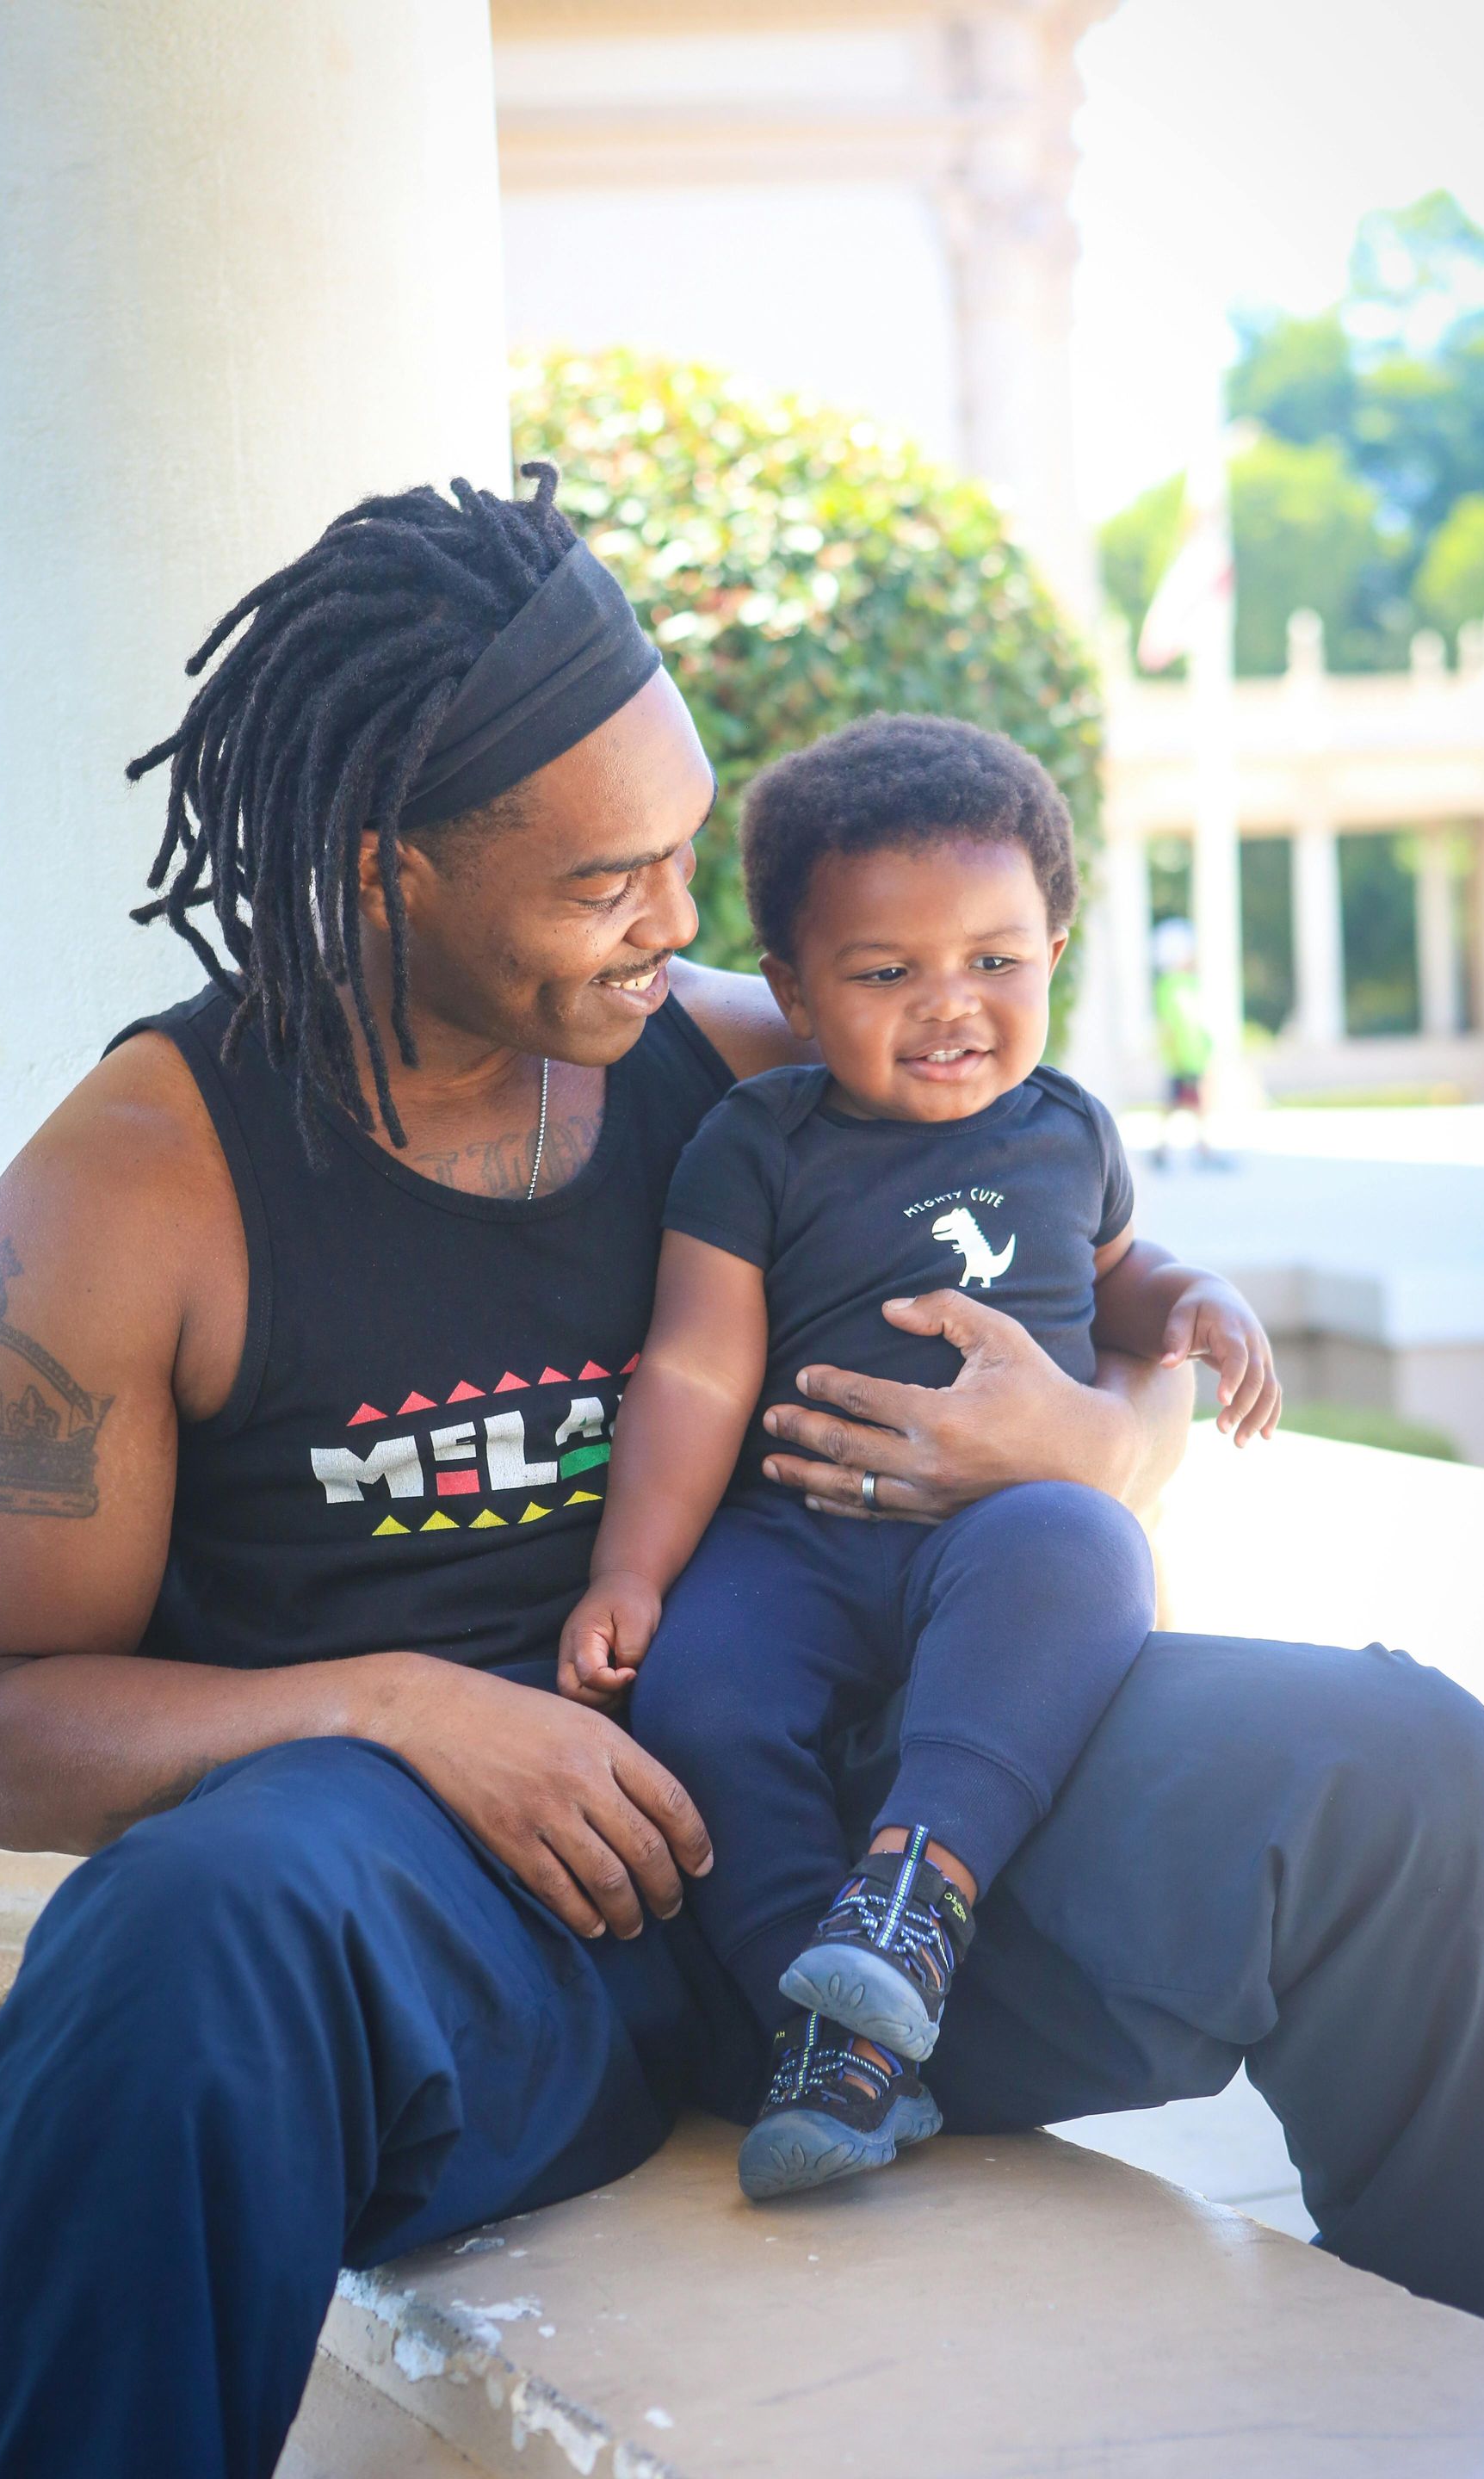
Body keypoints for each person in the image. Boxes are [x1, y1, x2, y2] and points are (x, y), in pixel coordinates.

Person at [0, 474, 1484, 2479]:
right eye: (602, 884)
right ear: (389, 867)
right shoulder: (135, 1185)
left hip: (862, 1862)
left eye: (679, 851)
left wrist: (1102, 1440)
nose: (678, 921)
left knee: (1410, 1772)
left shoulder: (735, 1058)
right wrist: (399, 1708)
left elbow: (1104, 1294)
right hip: (450, 1911)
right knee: (172, 1953)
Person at [559, 714, 1277, 2199]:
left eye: (995, 962)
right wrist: (634, 1571)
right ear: (795, 993)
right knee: (702, 1689)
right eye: (887, 972)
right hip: (791, 1535)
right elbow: (695, 1369)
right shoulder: (757, 1143)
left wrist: (1193, 1305)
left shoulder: (1071, 1130)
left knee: (1086, 1547)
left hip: (996, 1535)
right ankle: (816, 2040)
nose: (950, 1005)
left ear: (1056, 949)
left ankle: (916, 1894)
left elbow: (1121, 1274)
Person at [1150, 914, 1217, 1165]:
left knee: (1186, 1104)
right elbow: (1172, 1025)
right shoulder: (1171, 987)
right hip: (1183, 1058)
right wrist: (1176, 1055)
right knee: (1183, 1103)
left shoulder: (1188, 984)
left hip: (1194, 1056)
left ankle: (1193, 1148)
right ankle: (1196, 1149)